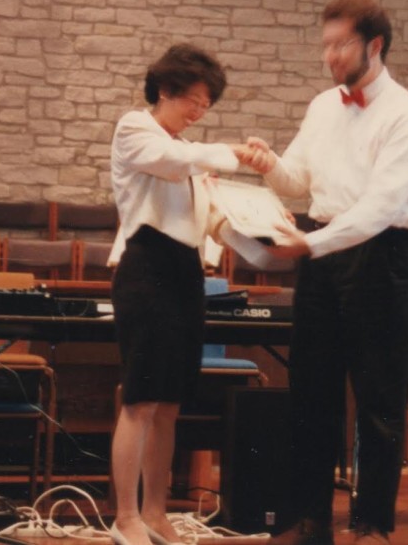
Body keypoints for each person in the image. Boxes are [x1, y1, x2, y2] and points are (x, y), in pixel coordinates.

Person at [244, 0, 408, 545]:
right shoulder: (323, 106)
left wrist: (311, 245)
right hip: (325, 252)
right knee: (312, 389)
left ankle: (372, 524)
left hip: (386, 255)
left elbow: (379, 208)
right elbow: (298, 182)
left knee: (378, 399)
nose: (329, 56)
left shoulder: (406, 115)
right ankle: (309, 520)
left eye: (340, 45)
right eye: (325, 45)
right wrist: (268, 164)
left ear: (374, 45)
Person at [108, 43, 249, 545]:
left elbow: (216, 219)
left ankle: (155, 512)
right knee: (141, 400)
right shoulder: (136, 129)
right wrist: (232, 154)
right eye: (192, 100)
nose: (197, 111)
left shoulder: (192, 158)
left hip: (186, 273)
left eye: (206, 105)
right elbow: (172, 161)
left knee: (170, 404)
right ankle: (125, 517)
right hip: (146, 269)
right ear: (165, 90)